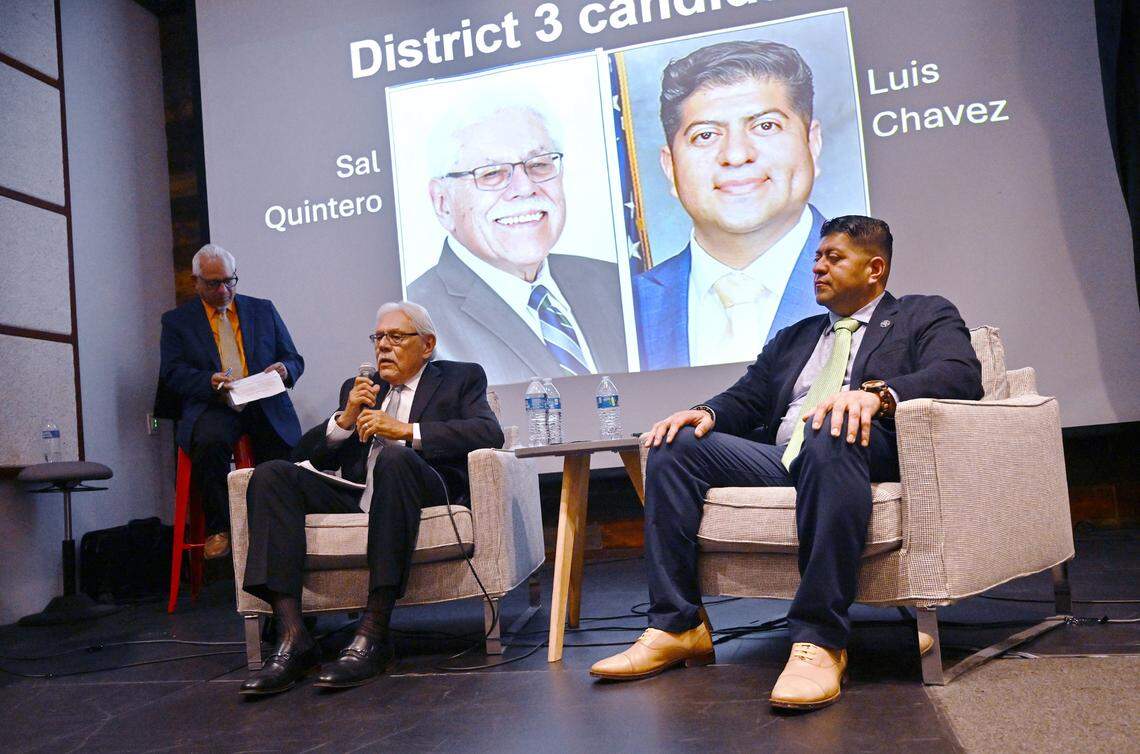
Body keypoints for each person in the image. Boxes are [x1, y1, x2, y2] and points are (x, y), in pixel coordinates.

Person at [591, 216, 983, 710]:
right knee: (674, 443)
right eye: (817, 257)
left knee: (829, 423)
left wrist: (879, 396)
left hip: (862, 452)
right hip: (786, 458)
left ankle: (820, 640)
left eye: (833, 258)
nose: (817, 267)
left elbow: (960, 375)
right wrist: (706, 411)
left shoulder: (921, 315)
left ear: (875, 268)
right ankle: (676, 626)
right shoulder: (797, 336)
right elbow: (748, 398)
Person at [238, 301, 504, 696]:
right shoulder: (360, 388)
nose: (383, 347)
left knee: (395, 459)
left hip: (423, 488)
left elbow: (488, 433)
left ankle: (374, 630)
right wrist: (343, 421)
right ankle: (294, 637)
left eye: (395, 337)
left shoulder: (460, 379)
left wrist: (405, 430)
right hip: (360, 493)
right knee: (272, 474)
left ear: (427, 344)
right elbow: (304, 454)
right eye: (378, 338)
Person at [634, 39, 832, 370]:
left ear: (812, 143)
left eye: (765, 126)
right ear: (670, 167)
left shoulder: (883, 279)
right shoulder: (628, 310)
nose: (737, 155)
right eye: (706, 135)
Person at [408, 99, 627, 385]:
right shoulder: (414, 320)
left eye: (539, 164)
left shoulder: (616, 283)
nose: (525, 188)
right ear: (442, 202)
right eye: (491, 173)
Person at [159, 244, 304, 559]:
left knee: (283, 449)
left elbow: (294, 359)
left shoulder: (262, 310)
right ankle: (220, 527)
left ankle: (279, 525)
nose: (224, 290)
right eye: (213, 284)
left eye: (230, 280)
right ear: (196, 282)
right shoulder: (177, 321)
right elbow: (172, 374)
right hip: (216, 405)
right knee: (209, 443)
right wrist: (207, 381)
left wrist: (285, 369)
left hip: (262, 402)